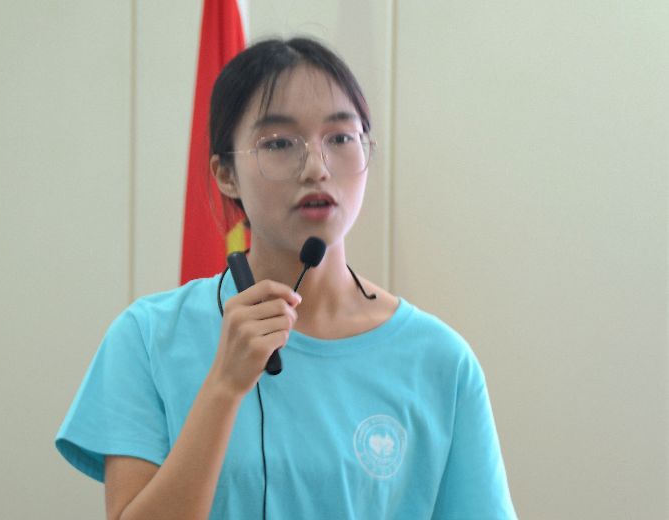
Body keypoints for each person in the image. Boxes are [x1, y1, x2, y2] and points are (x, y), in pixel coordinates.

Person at [56, 37, 517, 520]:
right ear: (226, 174)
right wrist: (224, 386)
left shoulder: (441, 360)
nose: (316, 168)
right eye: (278, 143)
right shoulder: (148, 337)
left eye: (341, 138)